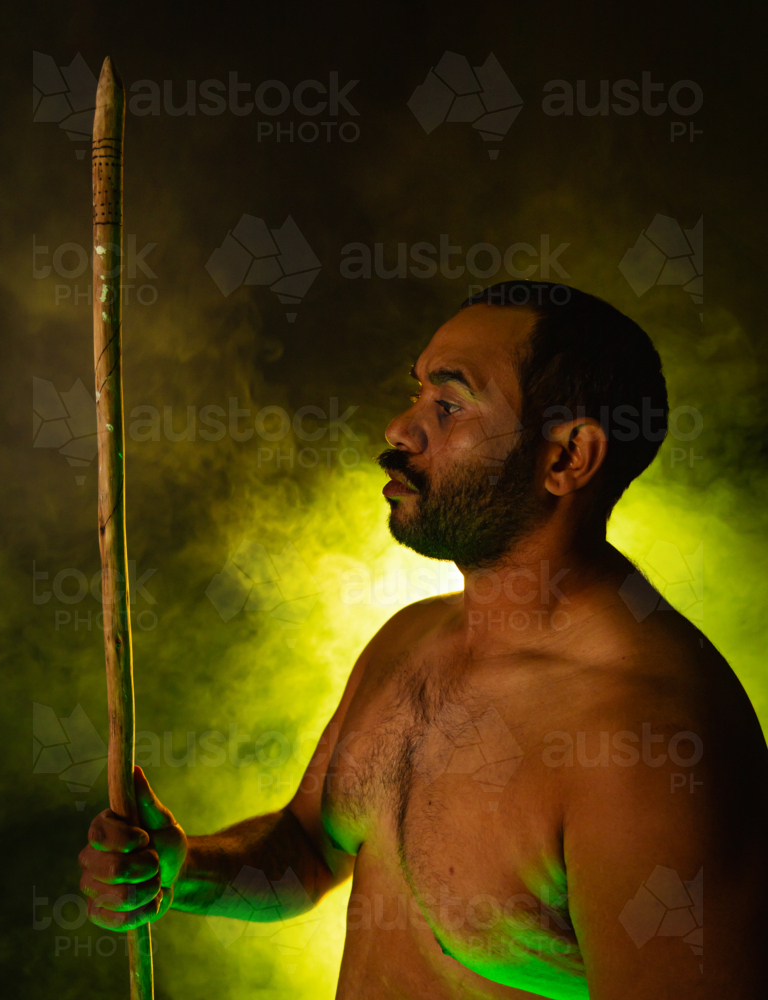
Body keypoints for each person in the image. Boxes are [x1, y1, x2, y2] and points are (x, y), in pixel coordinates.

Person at [79, 281, 767, 999]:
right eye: (417, 396)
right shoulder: (414, 639)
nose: (399, 431)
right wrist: (182, 869)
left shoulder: (648, 743)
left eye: (449, 404)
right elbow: (308, 849)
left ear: (567, 457)